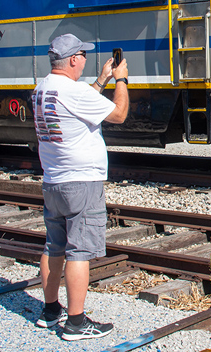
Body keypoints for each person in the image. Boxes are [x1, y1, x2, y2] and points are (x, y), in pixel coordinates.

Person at [33, 33, 129, 341]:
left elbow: (79, 102)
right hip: (81, 183)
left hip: (53, 181)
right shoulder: (73, 91)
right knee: (78, 252)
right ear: (73, 59)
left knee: (54, 246)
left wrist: (100, 80)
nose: (86, 60)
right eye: (83, 55)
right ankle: (76, 323)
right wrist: (121, 81)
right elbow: (119, 114)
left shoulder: (42, 89)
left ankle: (50, 312)